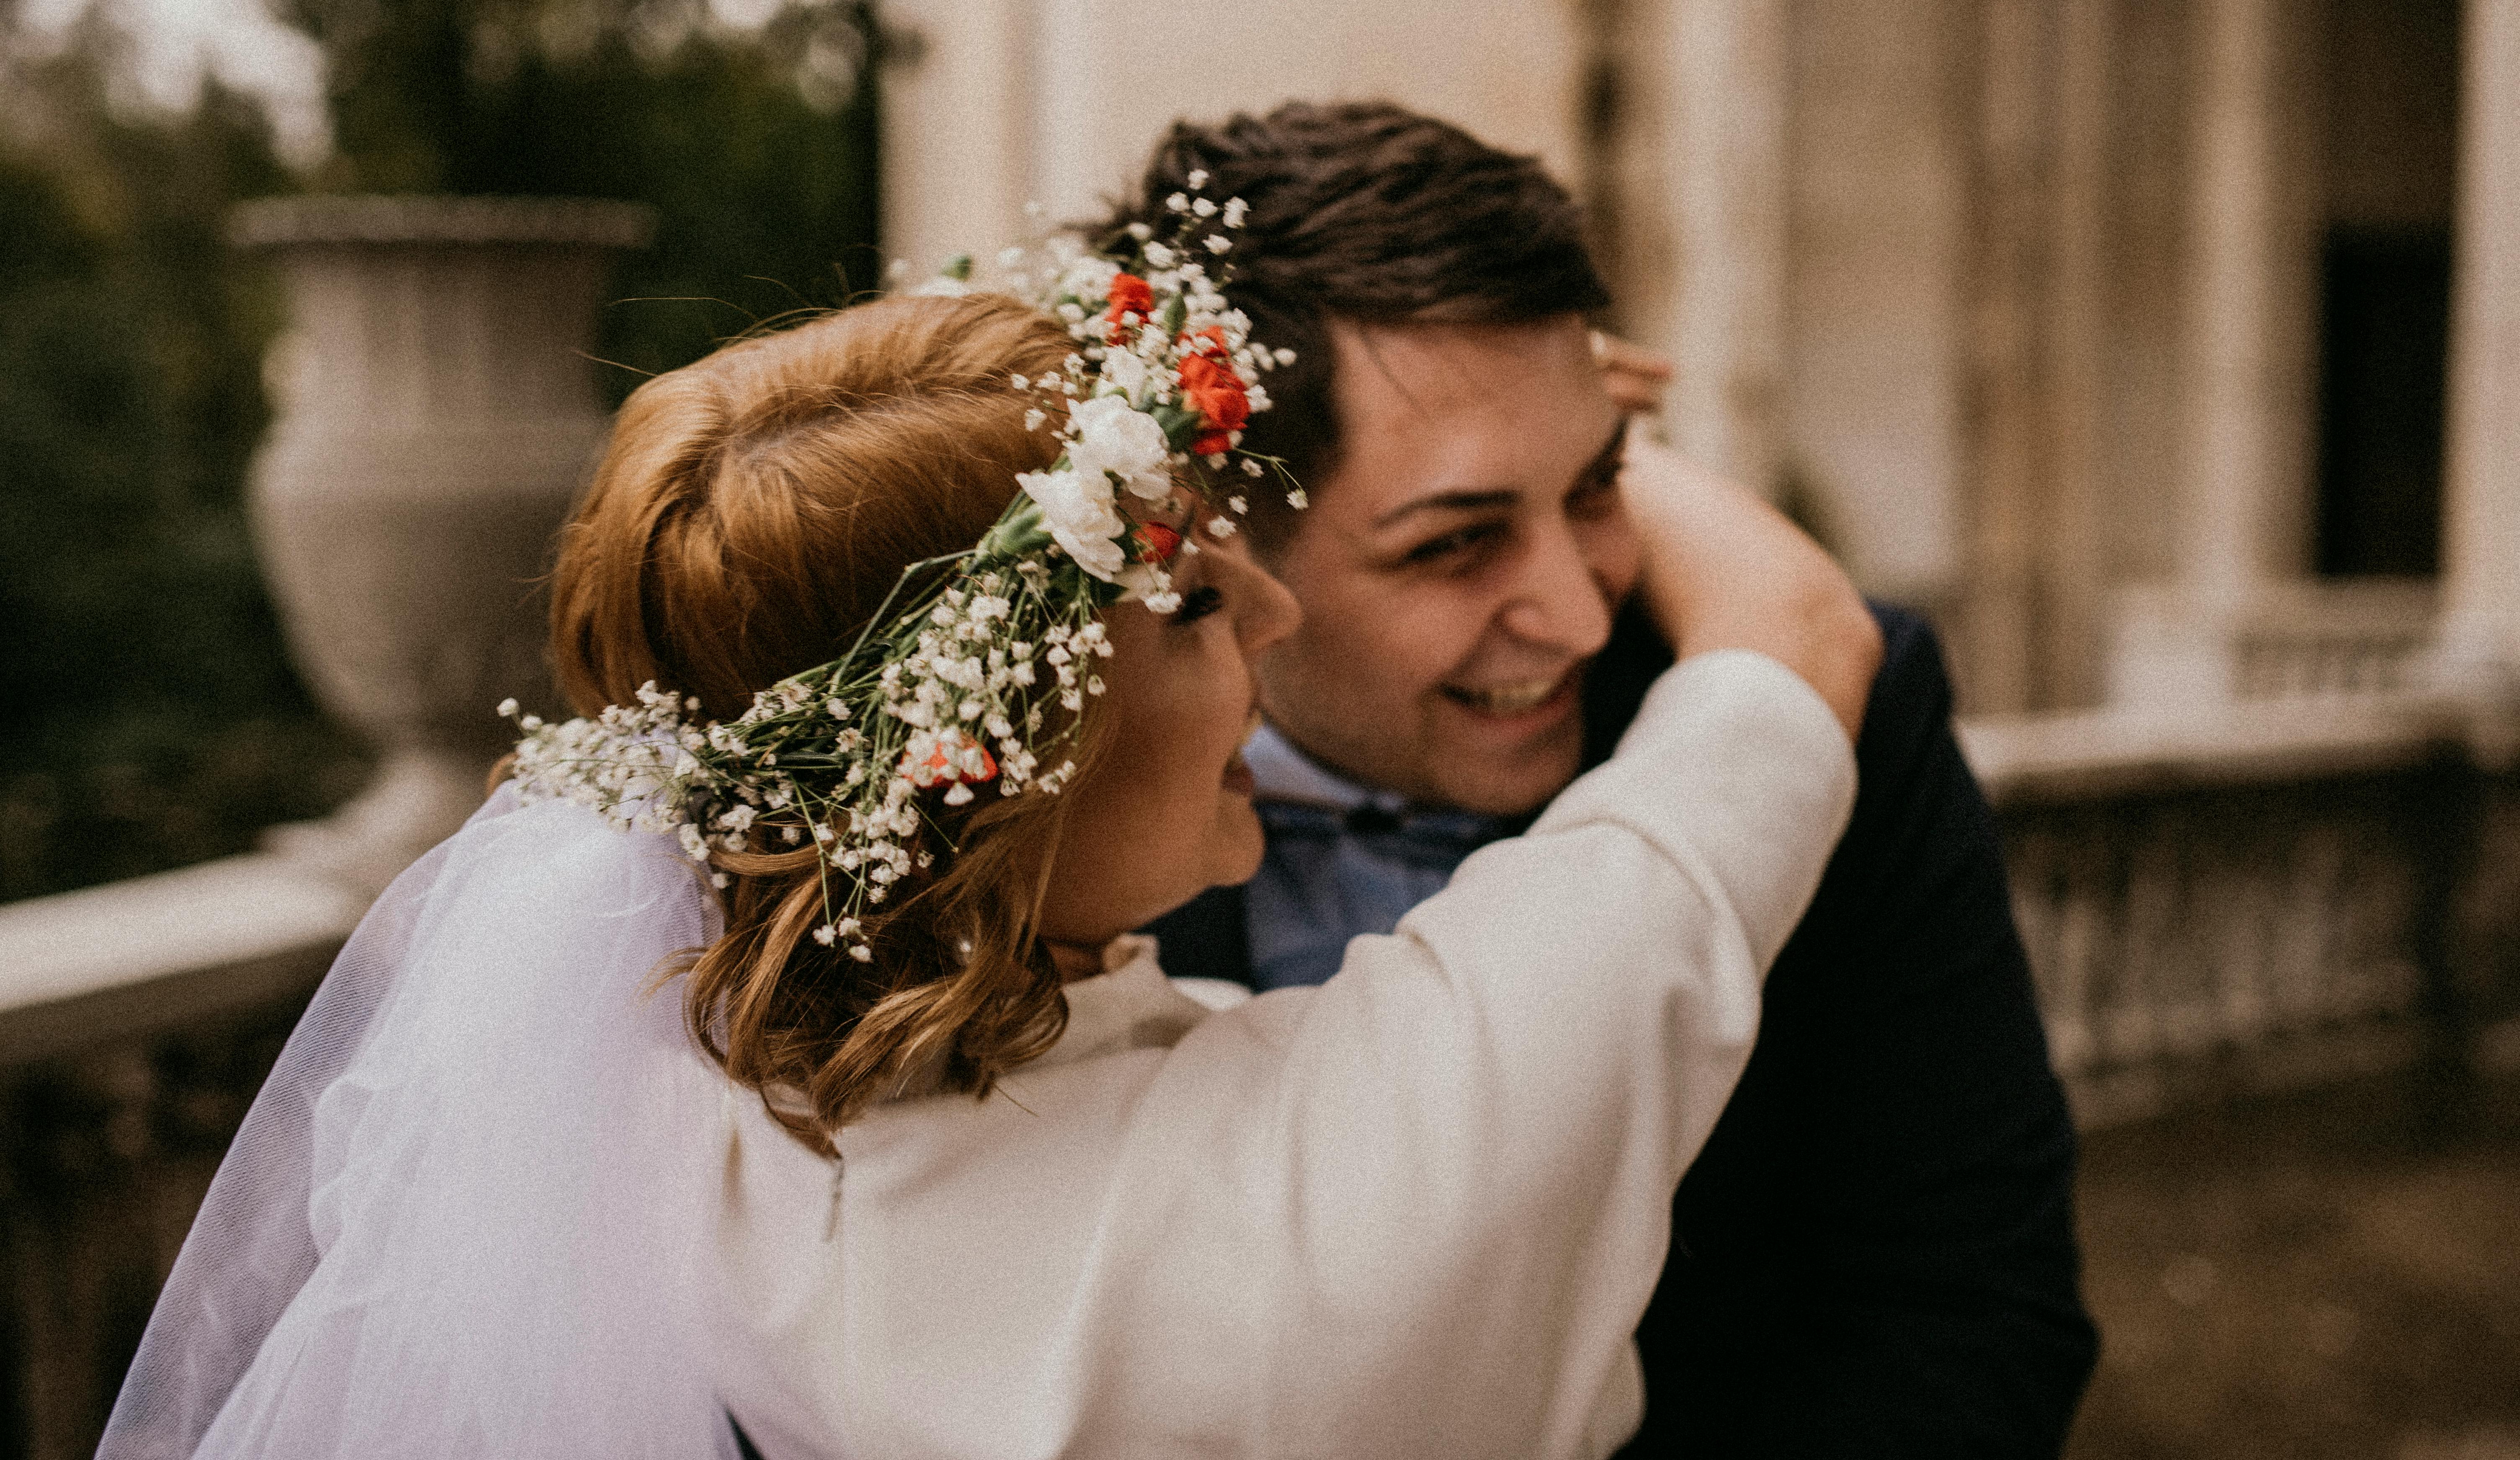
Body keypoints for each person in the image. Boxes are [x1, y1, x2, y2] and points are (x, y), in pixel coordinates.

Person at [101, 248, 1880, 1457]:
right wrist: (1583, 438)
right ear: (993, 771)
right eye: (1184, 596)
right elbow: (1797, 635)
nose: (1265, 605)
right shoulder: (1410, 1118)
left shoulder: (647, 1132)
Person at [1128, 101, 2103, 1455]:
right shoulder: (1042, 809)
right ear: (1219, 547)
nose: (1582, 618)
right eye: (1455, 544)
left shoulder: (1834, 724)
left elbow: (1969, 1318)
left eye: (1599, 488)